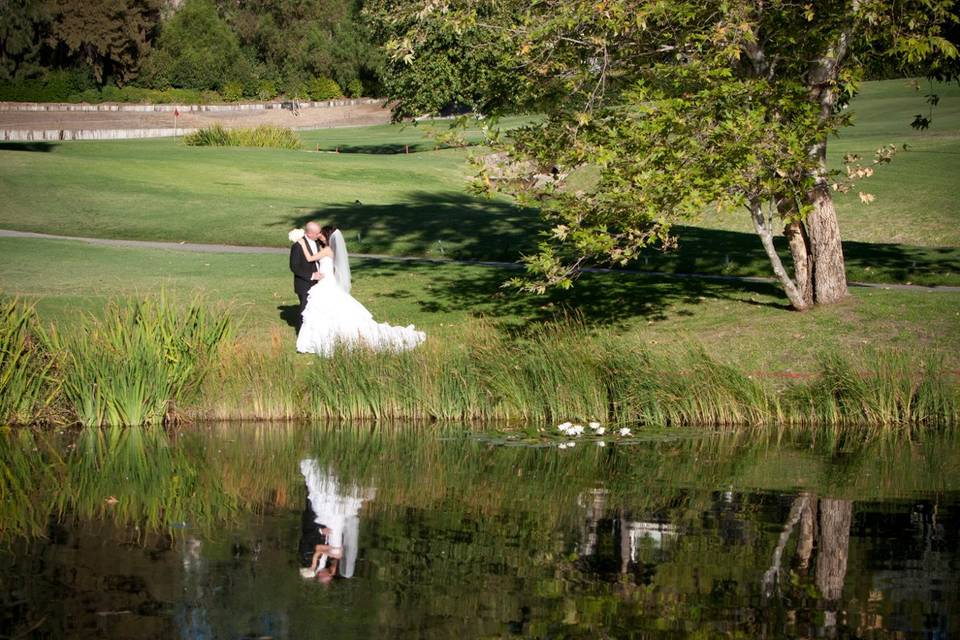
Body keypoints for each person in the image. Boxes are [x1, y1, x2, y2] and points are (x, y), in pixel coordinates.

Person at [294, 224, 426, 356]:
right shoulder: (329, 249)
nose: (319, 236)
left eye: (321, 234)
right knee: (327, 312)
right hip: (327, 281)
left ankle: (325, 339)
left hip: (326, 283)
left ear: (327, 235)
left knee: (325, 311)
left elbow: (310, 258)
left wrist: (302, 243)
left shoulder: (328, 249)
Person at [289, 221, 325, 332]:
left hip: (319, 283)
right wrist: (311, 275)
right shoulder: (297, 246)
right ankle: (301, 334)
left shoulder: (318, 243)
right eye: (317, 233)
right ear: (309, 234)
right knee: (305, 309)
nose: (319, 235)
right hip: (305, 283)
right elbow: (294, 267)